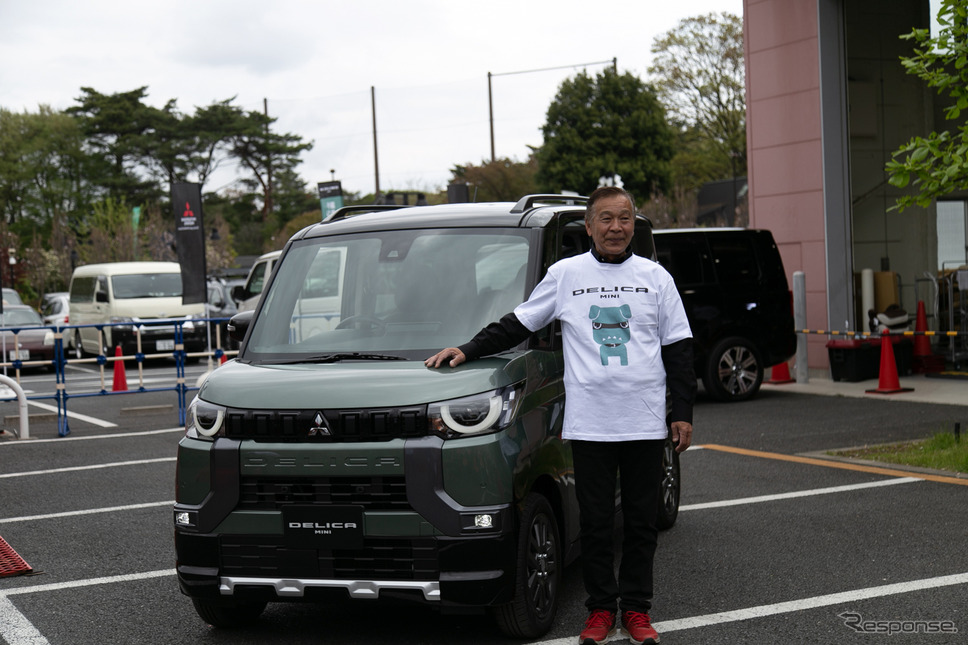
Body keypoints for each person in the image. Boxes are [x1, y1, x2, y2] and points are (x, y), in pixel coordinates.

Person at [425, 186, 695, 645]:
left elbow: (679, 347)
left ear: (633, 225)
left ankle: (636, 609)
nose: (616, 228)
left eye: (624, 219)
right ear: (588, 226)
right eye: (606, 219)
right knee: (594, 523)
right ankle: (600, 610)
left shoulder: (656, 277)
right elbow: (519, 322)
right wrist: (469, 349)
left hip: (645, 421)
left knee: (640, 523)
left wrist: (682, 412)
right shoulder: (566, 274)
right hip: (591, 424)